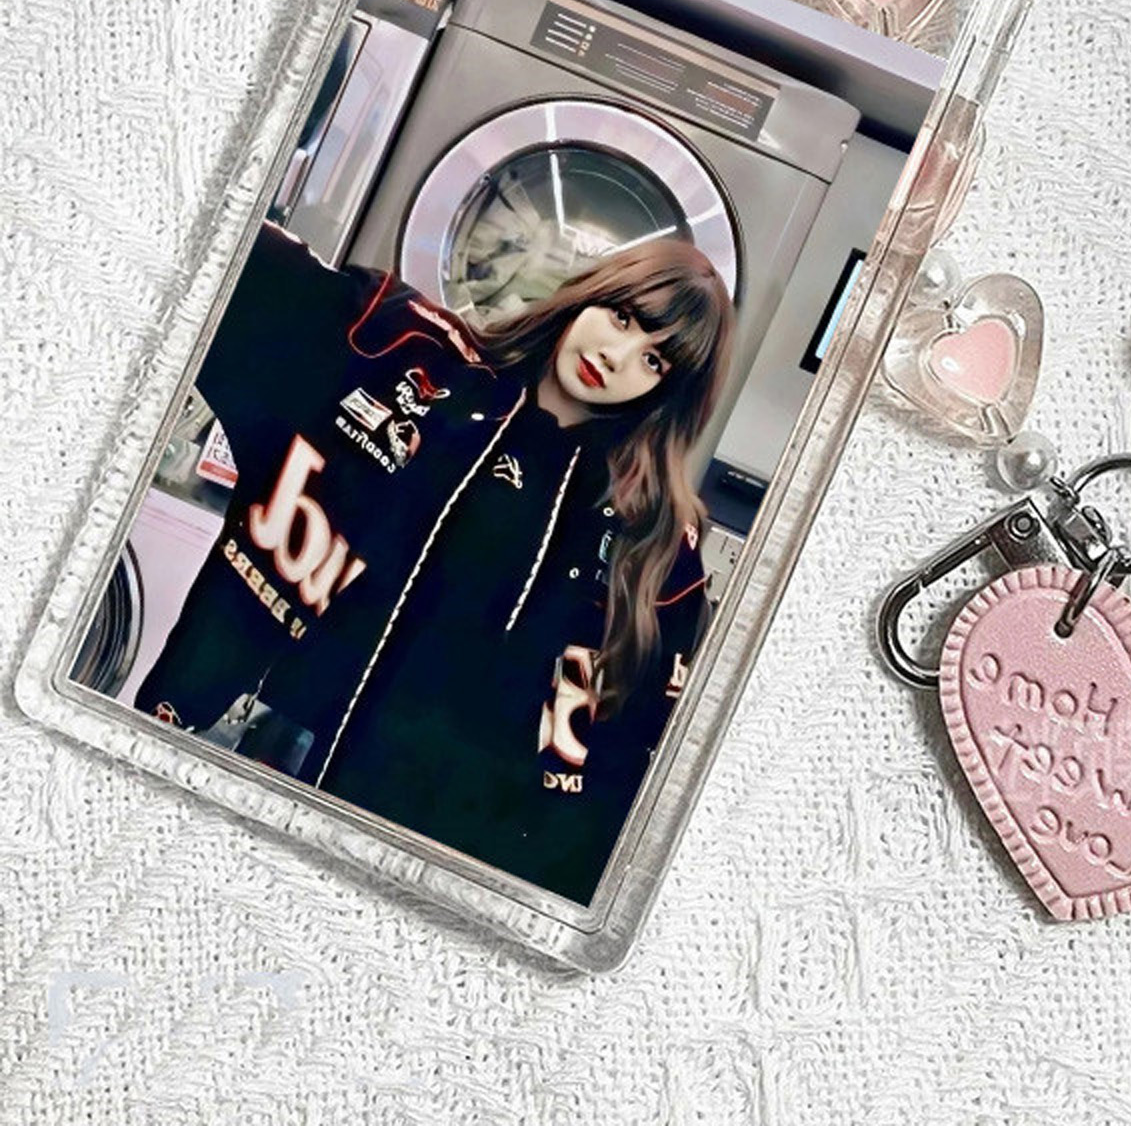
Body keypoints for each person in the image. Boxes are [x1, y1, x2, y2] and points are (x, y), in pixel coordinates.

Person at [135, 220, 735, 903]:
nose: (617, 354)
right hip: (217, 741)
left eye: (655, 361)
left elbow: (619, 780)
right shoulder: (405, 348)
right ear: (591, 294)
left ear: (668, 396)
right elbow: (223, 256)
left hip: (395, 855)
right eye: (622, 317)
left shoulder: (649, 544)